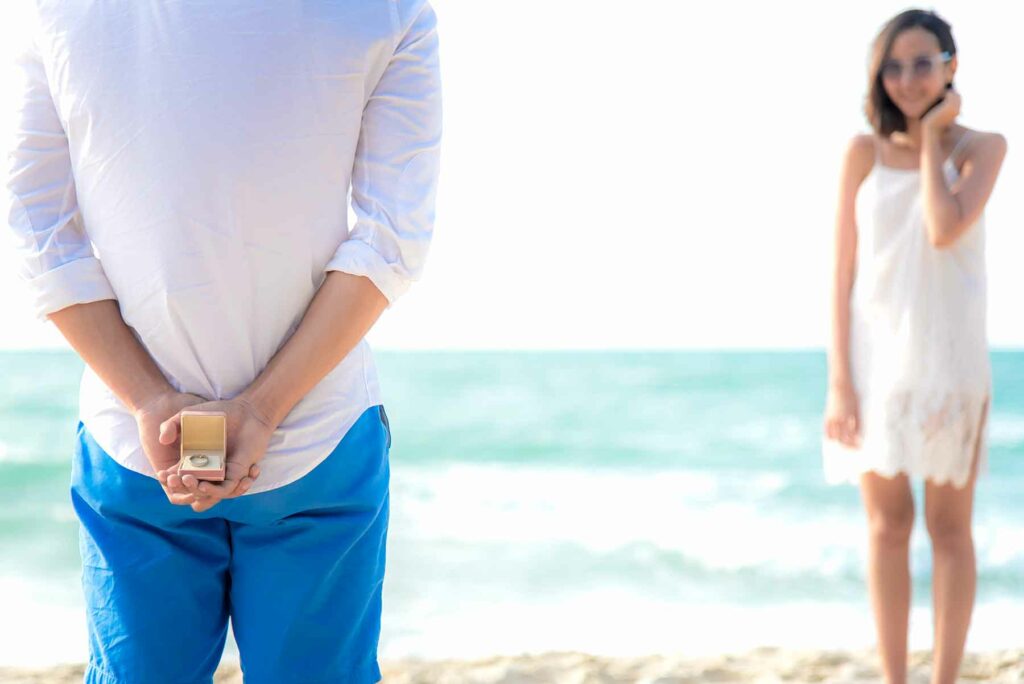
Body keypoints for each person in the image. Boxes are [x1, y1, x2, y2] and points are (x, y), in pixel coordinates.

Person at [3, 0, 442, 681]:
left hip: (133, 435)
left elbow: (37, 230)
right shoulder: (387, 10)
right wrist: (264, 409)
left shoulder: (56, 10)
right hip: (315, 429)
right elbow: (392, 240)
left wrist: (150, 400)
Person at [821, 9, 1006, 684]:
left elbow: (941, 228)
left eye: (923, 63)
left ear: (951, 68)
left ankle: (945, 680)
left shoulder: (983, 148)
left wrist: (931, 140)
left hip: (951, 361)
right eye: (893, 66)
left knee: (949, 530)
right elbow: (840, 273)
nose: (906, 78)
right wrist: (840, 379)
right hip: (875, 365)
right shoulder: (860, 154)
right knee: (886, 528)